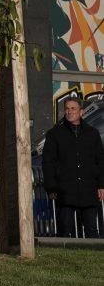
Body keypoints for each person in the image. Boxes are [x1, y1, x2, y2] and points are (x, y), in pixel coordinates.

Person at [42, 96, 104, 238]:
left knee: (91, 230)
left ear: (81, 112)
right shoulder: (54, 134)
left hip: (88, 189)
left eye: (73, 108)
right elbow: (48, 162)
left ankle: (92, 252)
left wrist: (101, 185)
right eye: (67, 109)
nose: (69, 112)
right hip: (65, 190)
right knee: (65, 229)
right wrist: (51, 187)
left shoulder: (92, 133)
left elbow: (100, 160)